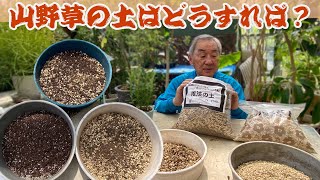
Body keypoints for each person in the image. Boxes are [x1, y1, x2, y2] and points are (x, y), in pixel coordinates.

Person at [154, 34, 248, 119]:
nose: (209, 62)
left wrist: (235, 108)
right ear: (190, 59)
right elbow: (158, 105)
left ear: (219, 59)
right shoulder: (180, 83)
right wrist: (175, 101)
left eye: (214, 56)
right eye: (202, 56)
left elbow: (247, 115)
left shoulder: (231, 85)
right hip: (188, 133)